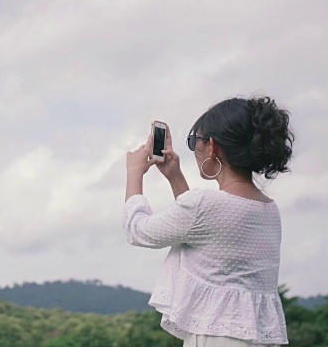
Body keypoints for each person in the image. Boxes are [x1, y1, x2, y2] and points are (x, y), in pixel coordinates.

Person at [122, 97, 294, 346]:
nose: (195, 150)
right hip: (257, 336)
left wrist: (133, 173)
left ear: (212, 146)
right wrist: (175, 177)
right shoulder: (269, 210)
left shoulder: (204, 205)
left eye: (195, 142)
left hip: (216, 336)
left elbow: (137, 230)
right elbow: (207, 232)